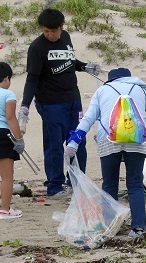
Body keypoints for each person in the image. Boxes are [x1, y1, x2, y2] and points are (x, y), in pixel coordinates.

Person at [63, 68, 146, 238]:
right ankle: (138, 227)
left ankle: (110, 226)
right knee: (135, 184)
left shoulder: (102, 91)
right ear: (129, 78)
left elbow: (88, 119)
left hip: (108, 139)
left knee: (109, 184)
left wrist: (74, 142)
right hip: (136, 139)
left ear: (110, 80)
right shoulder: (139, 90)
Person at [18, 8, 100, 199]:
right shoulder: (37, 48)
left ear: (61, 28)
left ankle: (77, 182)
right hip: (50, 103)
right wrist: (25, 106)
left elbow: (70, 61)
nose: (50, 35)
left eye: (53, 31)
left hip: (73, 99)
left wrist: (85, 66)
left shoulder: (66, 38)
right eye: (46, 31)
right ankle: (54, 185)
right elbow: (32, 79)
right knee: (55, 144)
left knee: (78, 140)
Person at [0, 62, 24, 219]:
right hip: (3, 135)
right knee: (7, 176)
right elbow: (10, 118)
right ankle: (4, 210)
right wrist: (19, 139)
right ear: (7, 78)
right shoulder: (8, 95)